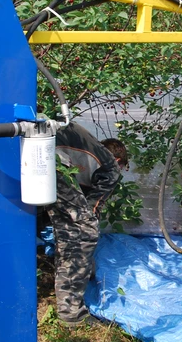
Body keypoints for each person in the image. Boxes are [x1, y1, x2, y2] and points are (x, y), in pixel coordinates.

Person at [46, 122, 128, 327]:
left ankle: (54, 280)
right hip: (47, 157)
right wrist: (87, 257)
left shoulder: (85, 155)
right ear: (118, 161)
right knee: (84, 233)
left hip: (30, 149)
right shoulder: (110, 168)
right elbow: (90, 214)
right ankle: (72, 313)